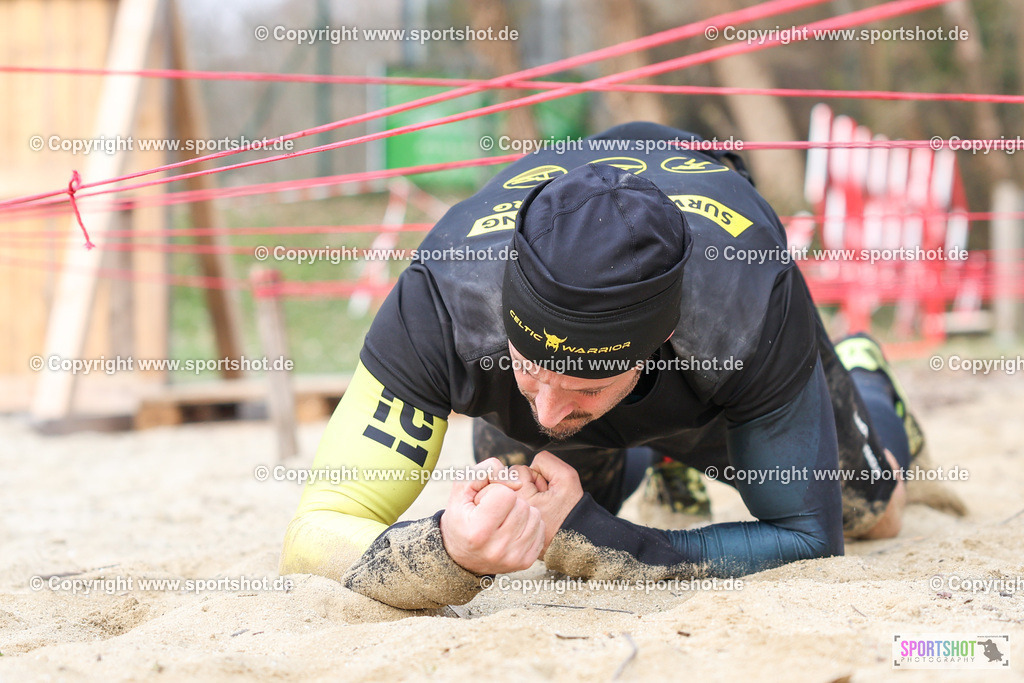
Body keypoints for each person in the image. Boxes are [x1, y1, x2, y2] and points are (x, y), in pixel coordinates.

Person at [279, 122, 960, 610]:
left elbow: (812, 539)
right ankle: (650, 451)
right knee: (552, 501)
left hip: (717, 373)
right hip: (640, 344)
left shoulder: (744, 303)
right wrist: (443, 550)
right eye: (528, 367)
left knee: (878, 511)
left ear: (662, 337)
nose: (547, 414)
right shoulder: (441, 297)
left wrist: (601, 539)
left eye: (582, 385)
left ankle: (867, 372)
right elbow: (316, 532)